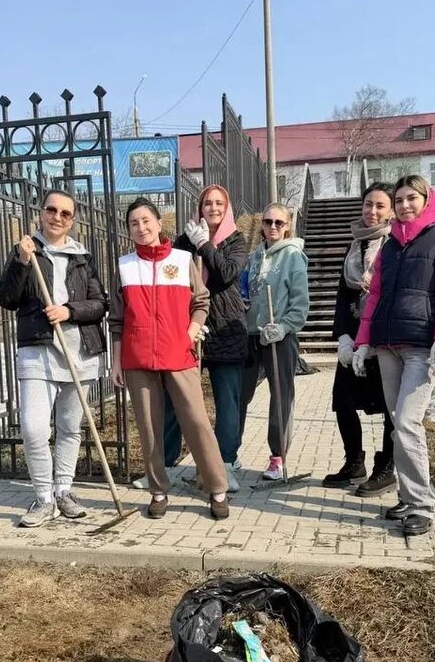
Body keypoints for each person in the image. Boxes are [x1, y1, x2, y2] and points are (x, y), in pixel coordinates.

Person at [353, 175, 435, 535]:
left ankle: (421, 504)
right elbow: (375, 296)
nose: (404, 205)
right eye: (399, 200)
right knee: (397, 424)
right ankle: (407, 496)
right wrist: (363, 342)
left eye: (411, 198)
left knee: (407, 422)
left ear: (426, 199)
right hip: (388, 346)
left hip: (421, 346)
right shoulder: (391, 245)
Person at [109, 198, 230, 520]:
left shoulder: (182, 259)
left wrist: (188, 335)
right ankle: (158, 490)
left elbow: (201, 302)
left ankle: (217, 487)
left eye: (146, 220)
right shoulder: (124, 266)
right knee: (149, 428)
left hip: (179, 355)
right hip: (137, 358)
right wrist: (116, 362)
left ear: (159, 223)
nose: (141, 227)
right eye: (134, 223)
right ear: (128, 229)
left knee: (196, 422)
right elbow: (117, 320)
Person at [0, 190, 106, 528]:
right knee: (33, 429)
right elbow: (6, 298)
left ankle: (64, 491)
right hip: (38, 351)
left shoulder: (82, 257)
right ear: (41, 213)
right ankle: (44, 498)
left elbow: (100, 304)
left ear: (73, 220)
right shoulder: (27, 251)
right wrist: (21, 261)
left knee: (70, 428)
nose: (58, 217)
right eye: (52, 210)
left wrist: (68, 310)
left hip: (79, 353)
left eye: (65, 213)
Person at [159, 184, 249, 492]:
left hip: (226, 329)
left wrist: (205, 246)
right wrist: (188, 244)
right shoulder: (185, 240)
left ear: (227, 208)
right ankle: (166, 465)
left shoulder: (236, 240)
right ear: (200, 207)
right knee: (176, 398)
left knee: (227, 401)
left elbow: (226, 273)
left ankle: (225, 465)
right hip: (189, 328)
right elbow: (172, 276)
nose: (213, 208)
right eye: (207, 203)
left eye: (219, 203)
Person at [323, 182, 396, 493]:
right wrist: (342, 336)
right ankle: (354, 463)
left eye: (380, 205)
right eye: (368, 204)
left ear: (391, 211)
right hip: (353, 336)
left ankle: (386, 467)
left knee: (389, 407)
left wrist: (372, 340)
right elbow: (343, 295)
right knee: (343, 401)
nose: (372, 211)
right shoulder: (355, 245)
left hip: (382, 338)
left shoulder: (394, 245)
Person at [239, 202, 310, 481]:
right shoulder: (254, 256)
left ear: (287, 226)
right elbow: (245, 291)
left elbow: (300, 303)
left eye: (278, 222)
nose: (272, 227)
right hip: (251, 335)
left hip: (279, 336)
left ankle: (278, 457)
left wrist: (284, 326)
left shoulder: (293, 256)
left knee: (280, 396)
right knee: (239, 395)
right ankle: (229, 454)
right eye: (268, 222)